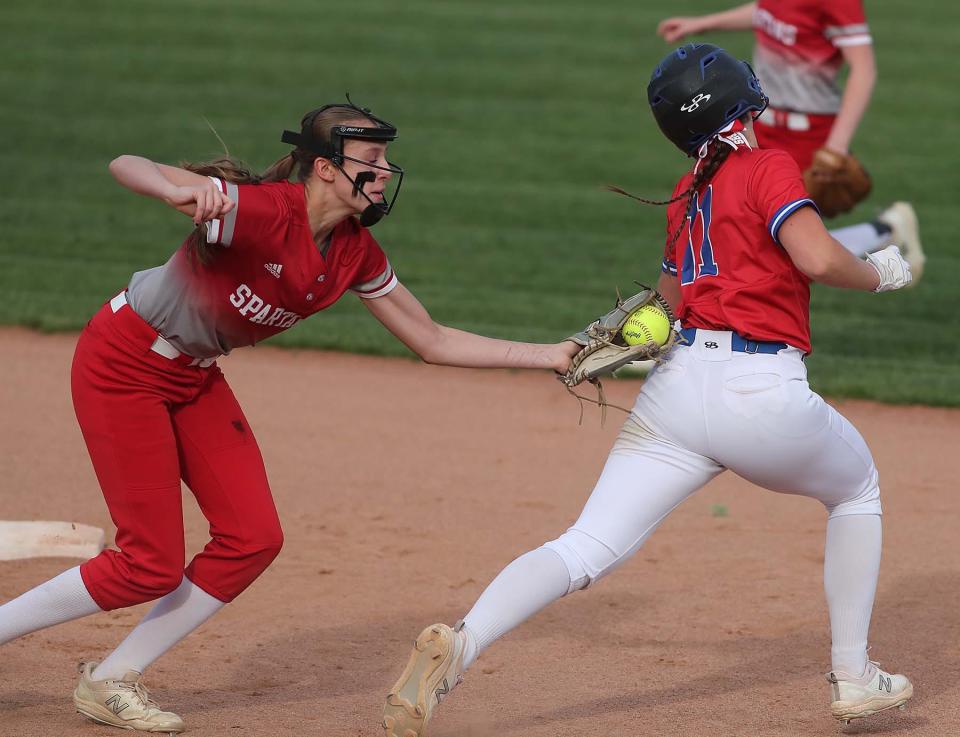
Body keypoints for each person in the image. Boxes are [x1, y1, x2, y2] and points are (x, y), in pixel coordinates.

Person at [382, 45, 914, 737]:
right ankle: (854, 674)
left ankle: (463, 640)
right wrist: (882, 271)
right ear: (744, 96)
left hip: (674, 392)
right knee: (856, 489)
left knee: (585, 545)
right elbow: (815, 257)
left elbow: (664, 312)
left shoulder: (686, 193)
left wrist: (599, 335)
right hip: (761, 393)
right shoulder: (767, 164)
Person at [0, 99, 578, 734]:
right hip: (124, 363)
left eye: (387, 160)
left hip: (193, 377)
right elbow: (125, 163)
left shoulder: (354, 251)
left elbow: (432, 340)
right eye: (373, 160)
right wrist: (174, 189)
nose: (386, 172)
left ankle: (110, 678)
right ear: (326, 169)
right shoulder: (259, 211)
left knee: (253, 539)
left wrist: (551, 354)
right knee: (148, 564)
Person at [656, 1, 925, 282]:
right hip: (758, 124)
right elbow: (768, 12)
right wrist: (703, 24)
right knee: (755, 233)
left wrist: (835, 147)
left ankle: (885, 233)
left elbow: (864, 70)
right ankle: (887, 229)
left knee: (788, 252)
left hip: (808, 133)